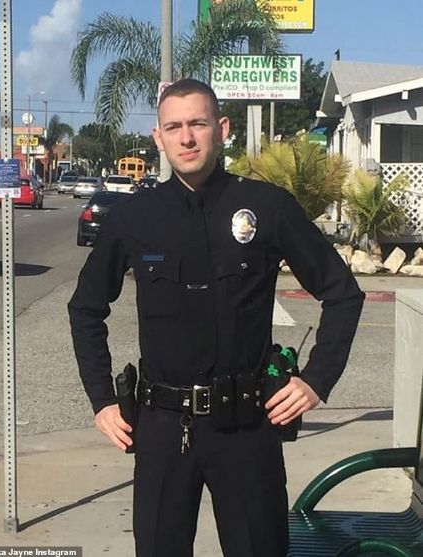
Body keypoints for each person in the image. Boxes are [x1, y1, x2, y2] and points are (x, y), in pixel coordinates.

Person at [68, 78, 365, 557]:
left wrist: (315, 380)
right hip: (163, 429)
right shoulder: (134, 218)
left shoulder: (268, 208)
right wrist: (101, 400)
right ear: (158, 138)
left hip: (247, 427)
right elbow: (85, 308)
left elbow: (342, 293)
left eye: (198, 124)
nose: (187, 137)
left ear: (221, 128)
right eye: (174, 127)